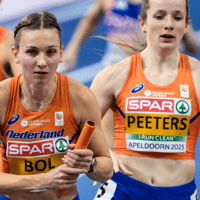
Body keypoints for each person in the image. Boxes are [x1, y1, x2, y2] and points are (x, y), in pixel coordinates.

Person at [90, 0, 200, 199]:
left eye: (177, 18)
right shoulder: (113, 76)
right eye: (159, 17)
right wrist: (101, 152)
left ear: (186, 25)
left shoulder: (197, 77)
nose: (169, 24)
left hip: (179, 193)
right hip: (122, 190)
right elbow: (78, 127)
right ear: (142, 22)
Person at [0, 11, 113, 200]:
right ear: (15, 53)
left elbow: (106, 170)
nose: (42, 62)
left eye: (50, 52)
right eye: (32, 52)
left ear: (61, 54)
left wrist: (90, 164)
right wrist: (43, 180)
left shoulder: (80, 98)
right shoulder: (2, 99)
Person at [61, 0, 198, 72]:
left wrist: (182, 33)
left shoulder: (163, 4)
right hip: (114, 68)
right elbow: (91, 19)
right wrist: (72, 49)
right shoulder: (109, 0)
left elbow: (192, 47)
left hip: (151, 72)